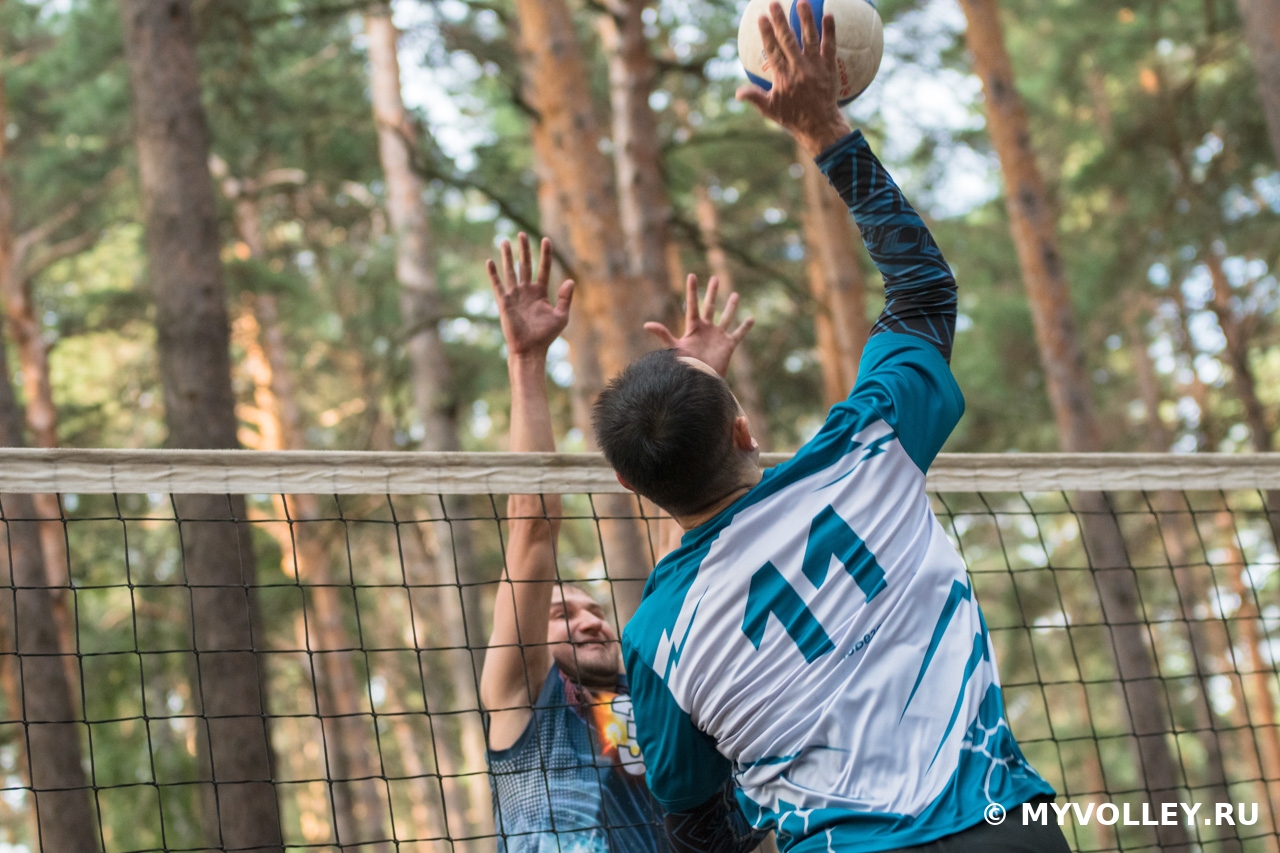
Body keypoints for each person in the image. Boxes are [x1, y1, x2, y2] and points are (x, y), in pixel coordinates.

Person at [590, 4, 1071, 853]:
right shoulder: (866, 451)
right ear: (744, 431)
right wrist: (824, 130)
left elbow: (694, 822)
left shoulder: (657, 636)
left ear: (630, 484)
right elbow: (922, 291)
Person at [478, 234, 754, 852]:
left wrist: (699, 387)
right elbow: (532, 527)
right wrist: (526, 359)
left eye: (594, 610)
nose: (590, 620)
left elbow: (689, 535)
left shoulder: (659, 689)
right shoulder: (527, 698)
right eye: (563, 613)